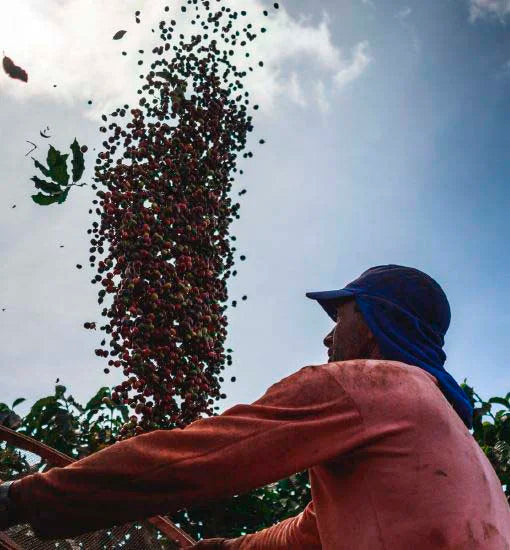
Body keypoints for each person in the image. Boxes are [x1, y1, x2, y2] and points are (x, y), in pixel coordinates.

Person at [1, 264, 509, 549]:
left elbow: (191, 461)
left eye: (343, 315)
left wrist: (22, 501)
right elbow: (305, 537)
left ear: (377, 326)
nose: (329, 335)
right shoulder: (453, 447)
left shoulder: (370, 385)